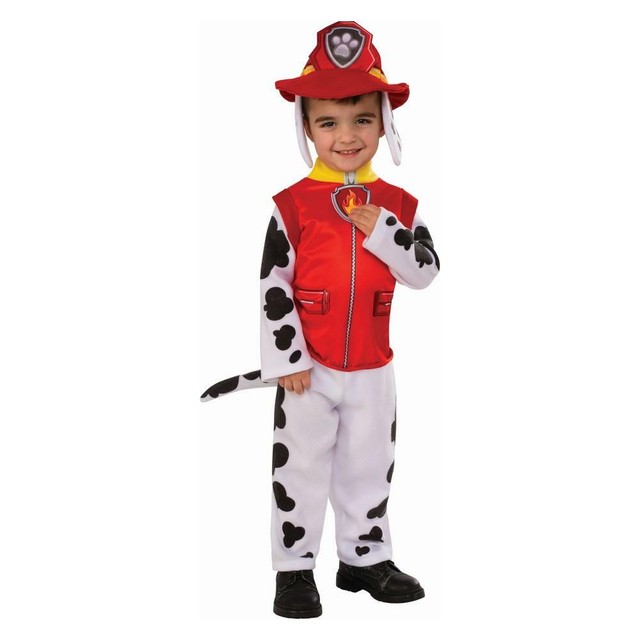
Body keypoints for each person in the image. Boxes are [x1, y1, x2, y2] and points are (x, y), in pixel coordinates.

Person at [202, 20, 439, 619]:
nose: (347, 135)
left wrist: (384, 230)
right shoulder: (292, 205)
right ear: (306, 127)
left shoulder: (401, 206)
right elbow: (273, 283)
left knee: (369, 464)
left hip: (374, 368)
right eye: (328, 122)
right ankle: (293, 568)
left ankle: (364, 558)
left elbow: (425, 271)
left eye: (362, 118)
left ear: (384, 122)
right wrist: (287, 359)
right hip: (308, 369)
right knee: (300, 467)